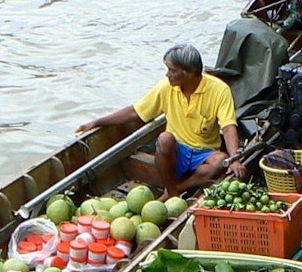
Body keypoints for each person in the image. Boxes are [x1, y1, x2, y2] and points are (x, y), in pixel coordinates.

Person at [77, 45, 247, 197]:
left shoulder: (219, 90)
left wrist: (235, 159)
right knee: (164, 138)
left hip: (204, 152)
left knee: (220, 161)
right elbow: (135, 111)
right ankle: (172, 193)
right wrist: (97, 122)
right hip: (177, 149)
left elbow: (228, 127)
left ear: (188, 72)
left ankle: (177, 189)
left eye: (172, 70)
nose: (167, 74)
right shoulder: (166, 87)